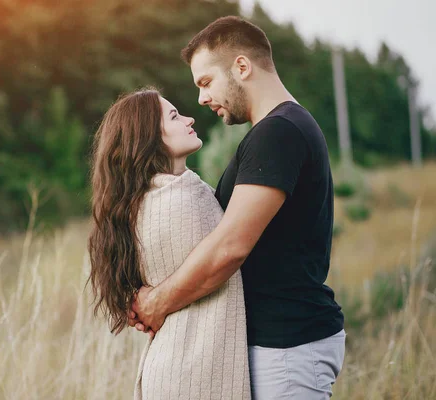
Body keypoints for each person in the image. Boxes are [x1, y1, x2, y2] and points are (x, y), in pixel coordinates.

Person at [129, 16, 346, 399]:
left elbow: (231, 246)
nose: (200, 99)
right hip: (280, 345)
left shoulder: (279, 133)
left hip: (287, 348)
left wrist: (157, 303)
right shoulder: (277, 130)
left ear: (242, 67)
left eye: (206, 82)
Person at [88, 88, 250, 399]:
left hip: (172, 371)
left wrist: (148, 303)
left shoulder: (140, 203)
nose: (189, 119)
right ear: (148, 137)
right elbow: (229, 255)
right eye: (174, 116)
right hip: (197, 378)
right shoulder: (184, 198)